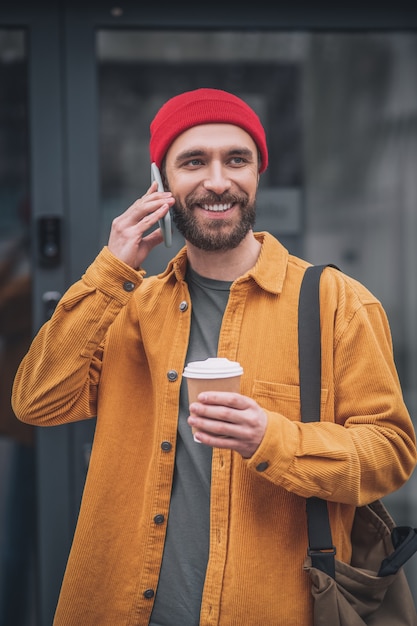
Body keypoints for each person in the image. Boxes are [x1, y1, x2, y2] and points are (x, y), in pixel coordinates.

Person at [12, 88, 417, 626]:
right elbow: (38, 402)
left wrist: (271, 438)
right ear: (161, 182)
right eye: (194, 162)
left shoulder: (336, 303)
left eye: (237, 160)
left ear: (257, 175)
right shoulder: (131, 307)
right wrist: (111, 270)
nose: (219, 180)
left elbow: (390, 453)